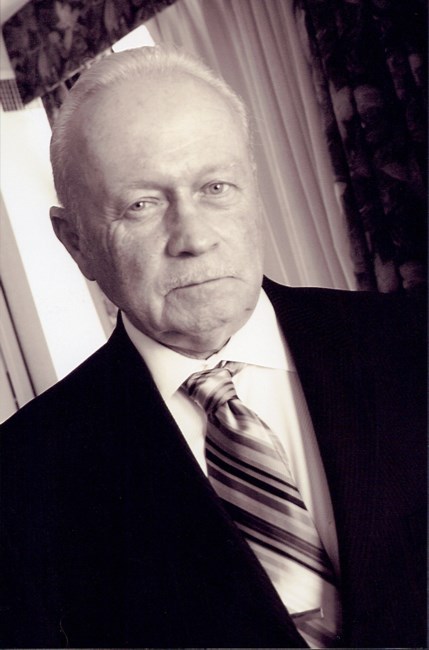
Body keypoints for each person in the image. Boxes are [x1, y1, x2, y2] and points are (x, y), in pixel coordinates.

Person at [0, 45, 426, 649]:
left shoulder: (412, 341)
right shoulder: (20, 478)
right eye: (141, 205)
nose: (194, 238)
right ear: (75, 243)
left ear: (255, 193)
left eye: (216, 187)